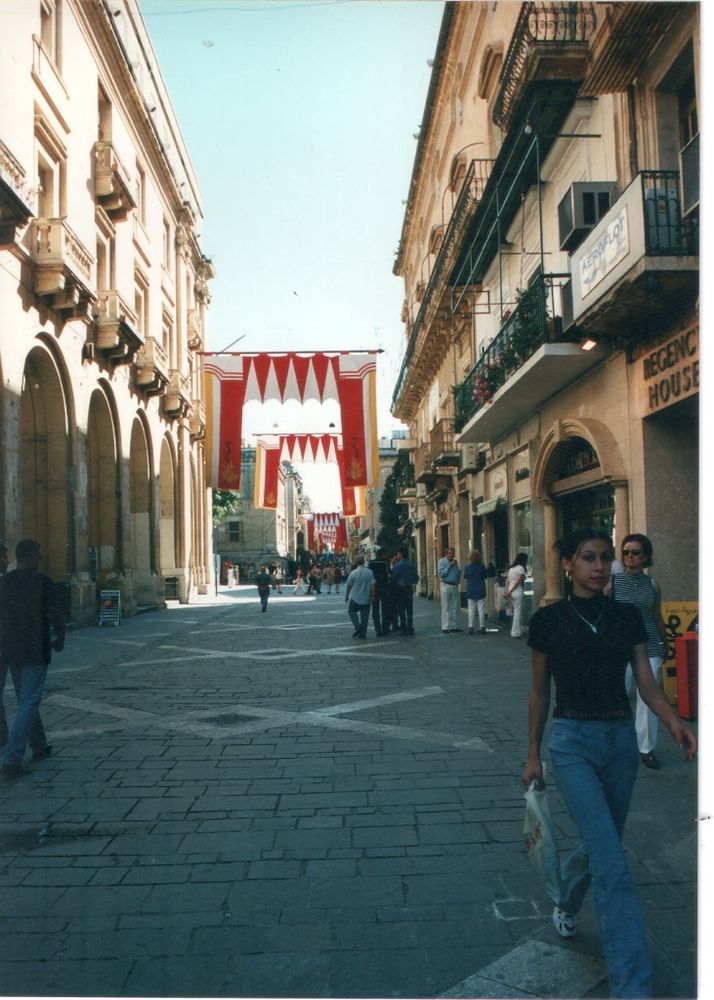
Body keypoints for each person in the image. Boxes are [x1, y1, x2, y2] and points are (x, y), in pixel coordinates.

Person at [522, 527, 696, 998]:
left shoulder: (625, 617)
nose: (599, 566)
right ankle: (631, 984)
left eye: (604, 558)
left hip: (620, 744)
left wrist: (675, 722)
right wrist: (533, 753)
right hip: (572, 742)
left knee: (604, 845)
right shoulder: (549, 621)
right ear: (568, 564)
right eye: (587, 558)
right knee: (613, 865)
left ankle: (567, 896)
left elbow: (645, 680)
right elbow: (541, 692)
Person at [0, 539, 65, 779]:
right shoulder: (43, 583)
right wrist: (61, 638)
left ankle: (39, 746)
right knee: (28, 701)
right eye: (38, 554)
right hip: (36, 648)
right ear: (28, 556)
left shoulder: (4, 582)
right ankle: (12, 760)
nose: (41, 558)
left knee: (26, 699)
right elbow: (55, 613)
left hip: (12, 650)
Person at [611, 534, 668, 770]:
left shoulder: (652, 584)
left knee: (648, 699)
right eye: (626, 552)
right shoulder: (612, 583)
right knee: (618, 695)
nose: (629, 556)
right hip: (620, 646)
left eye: (635, 552)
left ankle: (646, 748)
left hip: (650, 646)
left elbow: (656, 616)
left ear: (645, 557)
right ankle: (616, 744)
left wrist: (666, 644)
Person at [343, 556, 376, 639]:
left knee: (351, 612)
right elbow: (373, 585)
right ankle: (363, 633)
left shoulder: (353, 573)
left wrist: (347, 595)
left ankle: (358, 627)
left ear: (356, 562)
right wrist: (372, 595)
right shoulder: (370, 572)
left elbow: (349, 585)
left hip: (355, 597)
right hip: (366, 597)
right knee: (365, 617)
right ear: (363, 561)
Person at [391, 547, 419, 635]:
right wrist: (411, 582)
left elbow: (393, 579)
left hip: (399, 589)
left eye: (398, 554)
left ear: (401, 554)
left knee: (401, 610)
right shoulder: (411, 565)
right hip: (408, 589)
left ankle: (404, 628)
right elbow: (416, 578)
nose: (397, 555)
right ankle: (410, 627)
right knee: (409, 609)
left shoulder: (397, 566)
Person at [368, 548, 392, 637]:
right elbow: (389, 574)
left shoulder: (371, 563)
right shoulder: (385, 563)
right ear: (383, 554)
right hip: (384, 587)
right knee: (385, 608)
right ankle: (385, 627)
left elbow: (369, 575)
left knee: (375, 609)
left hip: (374, 587)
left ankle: (377, 629)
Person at [437, 546, 461, 633]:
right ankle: (445, 627)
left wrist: (458, 579)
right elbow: (441, 574)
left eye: (453, 553)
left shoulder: (455, 562)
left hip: (454, 585)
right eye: (450, 553)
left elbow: (458, 572)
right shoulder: (442, 562)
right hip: (445, 585)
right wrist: (449, 567)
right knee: (445, 606)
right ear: (446, 554)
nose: (452, 555)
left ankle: (454, 626)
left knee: (454, 606)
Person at [504, 553, 528, 638]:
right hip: (517, 591)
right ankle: (515, 632)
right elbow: (518, 582)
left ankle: (514, 631)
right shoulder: (521, 568)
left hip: (511, 592)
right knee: (518, 613)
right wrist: (509, 591)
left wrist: (507, 591)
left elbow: (507, 581)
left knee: (514, 612)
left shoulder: (511, 569)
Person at [464, 549, 487, 635]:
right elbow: (485, 576)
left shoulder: (467, 567)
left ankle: (471, 627)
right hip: (480, 588)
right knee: (481, 609)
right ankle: (482, 626)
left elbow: (466, 577)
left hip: (471, 589)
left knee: (471, 609)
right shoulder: (482, 566)